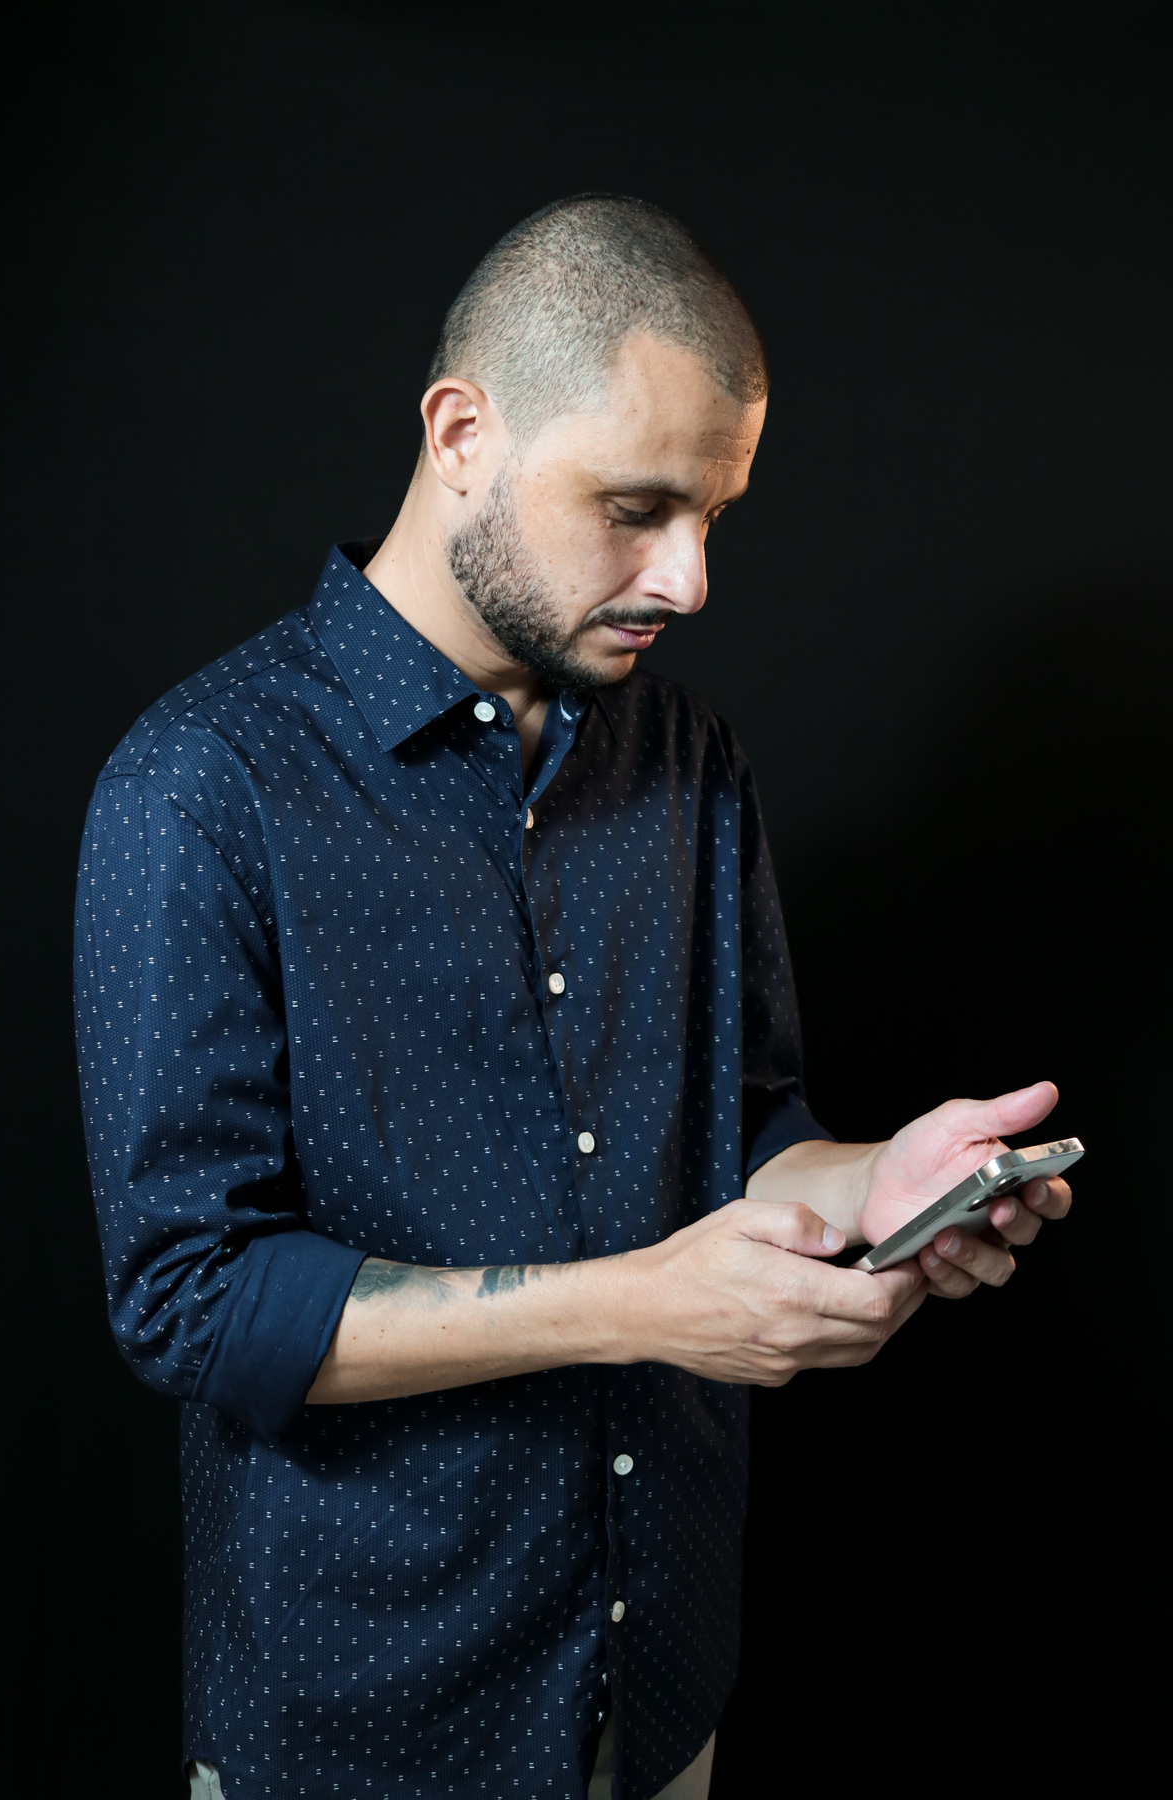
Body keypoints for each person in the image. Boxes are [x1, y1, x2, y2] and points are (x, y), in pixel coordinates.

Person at [74, 195, 1072, 1800]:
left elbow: (745, 1124)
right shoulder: (202, 785)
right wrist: (639, 1302)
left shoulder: (690, 759)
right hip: (365, 1726)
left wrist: (869, 1183)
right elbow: (193, 1299)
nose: (688, 577)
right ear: (462, 435)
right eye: (636, 507)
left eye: (715, 516)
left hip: (659, 1687)